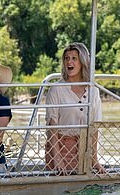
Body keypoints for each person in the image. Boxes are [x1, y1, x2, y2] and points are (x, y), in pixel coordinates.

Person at [45, 42, 105, 174]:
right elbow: (52, 127)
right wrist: (57, 158)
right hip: (60, 147)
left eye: (74, 58)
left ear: (83, 62)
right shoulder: (56, 89)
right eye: (66, 58)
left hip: (84, 148)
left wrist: (94, 159)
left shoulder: (93, 90)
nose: (69, 62)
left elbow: (95, 127)